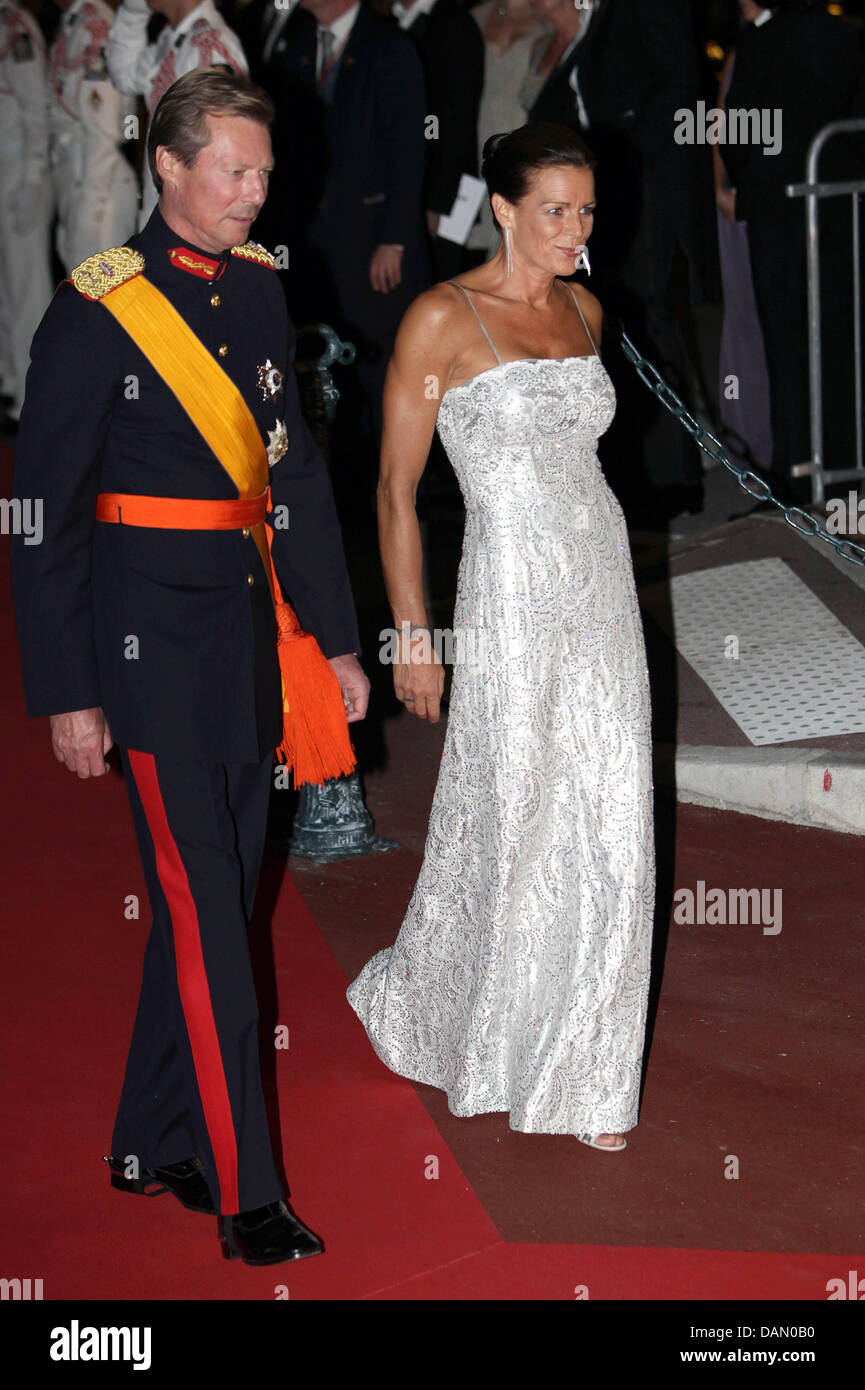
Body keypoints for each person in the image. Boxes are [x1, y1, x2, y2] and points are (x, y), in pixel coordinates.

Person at [11, 68, 368, 1265]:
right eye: (233, 171)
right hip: (145, 648)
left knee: (209, 896)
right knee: (211, 910)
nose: (255, 195)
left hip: (249, 638)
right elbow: (41, 516)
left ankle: (145, 1137)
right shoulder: (94, 310)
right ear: (167, 168)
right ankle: (243, 1189)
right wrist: (67, 690)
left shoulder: (265, 292)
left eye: (264, 172)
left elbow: (294, 474)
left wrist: (334, 639)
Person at [347, 123, 654, 1150]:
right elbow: (394, 490)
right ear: (507, 210)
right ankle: (468, 1019)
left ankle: (587, 1070)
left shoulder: (585, 308)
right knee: (516, 810)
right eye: (556, 209)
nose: (576, 229)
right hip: (510, 593)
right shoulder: (442, 318)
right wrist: (413, 635)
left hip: (602, 583)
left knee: (611, 810)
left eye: (587, 210)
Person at [723, 0, 865, 498]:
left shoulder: (761, 42)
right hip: (840, 204)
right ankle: (846, 467)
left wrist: (744, 177)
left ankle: (794, 472)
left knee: (786, 347)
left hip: (778, 211)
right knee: (841, 340)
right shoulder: (843, 35)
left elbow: (737, 134)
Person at [106, 0, 247, 222]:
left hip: (191, 226)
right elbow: (123, 77)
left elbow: (226, 160)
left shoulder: (208, 46)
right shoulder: (173, 39)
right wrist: (133, 9)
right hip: (163, 212)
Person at [392, 0, 485, 282]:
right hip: (407, 188)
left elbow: (458, 120)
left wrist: (438, 202)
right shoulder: (393, 20)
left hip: (442, 195)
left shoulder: (452, 23)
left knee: (441, 284)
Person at [48, 0, 140, 273]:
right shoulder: (75, 21)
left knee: (100, 300)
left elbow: (103, 133)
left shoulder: (94, 27)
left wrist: (90, 212)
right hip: (78, 179)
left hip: (99, 187)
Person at [0, 0, 54, 425]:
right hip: (6, 171)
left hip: (20, 173)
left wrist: (33, 176)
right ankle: (8, 381)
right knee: (7, 289)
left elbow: (37, 108)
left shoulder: (14, 27)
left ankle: (30, 394)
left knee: (27, 289)